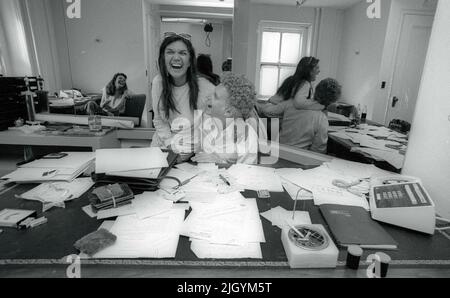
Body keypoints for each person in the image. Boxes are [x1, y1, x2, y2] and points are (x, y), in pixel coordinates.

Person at [151, 33, 215, 155]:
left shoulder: (205, 86)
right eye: (170, 52)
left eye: (182, 53)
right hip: (163, 148)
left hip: (192, 152)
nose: (176, 57)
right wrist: (170, 146)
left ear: (190, 62)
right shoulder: (158, 82)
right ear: (163, 59)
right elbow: (159, 120)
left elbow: (215, 121)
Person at [193, 73, 265, 164]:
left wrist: (220, 163)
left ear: (228, 111)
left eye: (215, 96)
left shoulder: (247, 138)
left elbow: (246, 174)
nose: (208, 97)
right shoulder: (206, 122)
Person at [257, 78, 342, 154]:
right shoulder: (321, 118)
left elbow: (267, 111)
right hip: (299, 159)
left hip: (279, 153)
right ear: (332, 101)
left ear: (316, 90)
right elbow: (318, 150)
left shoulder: (292, 103)